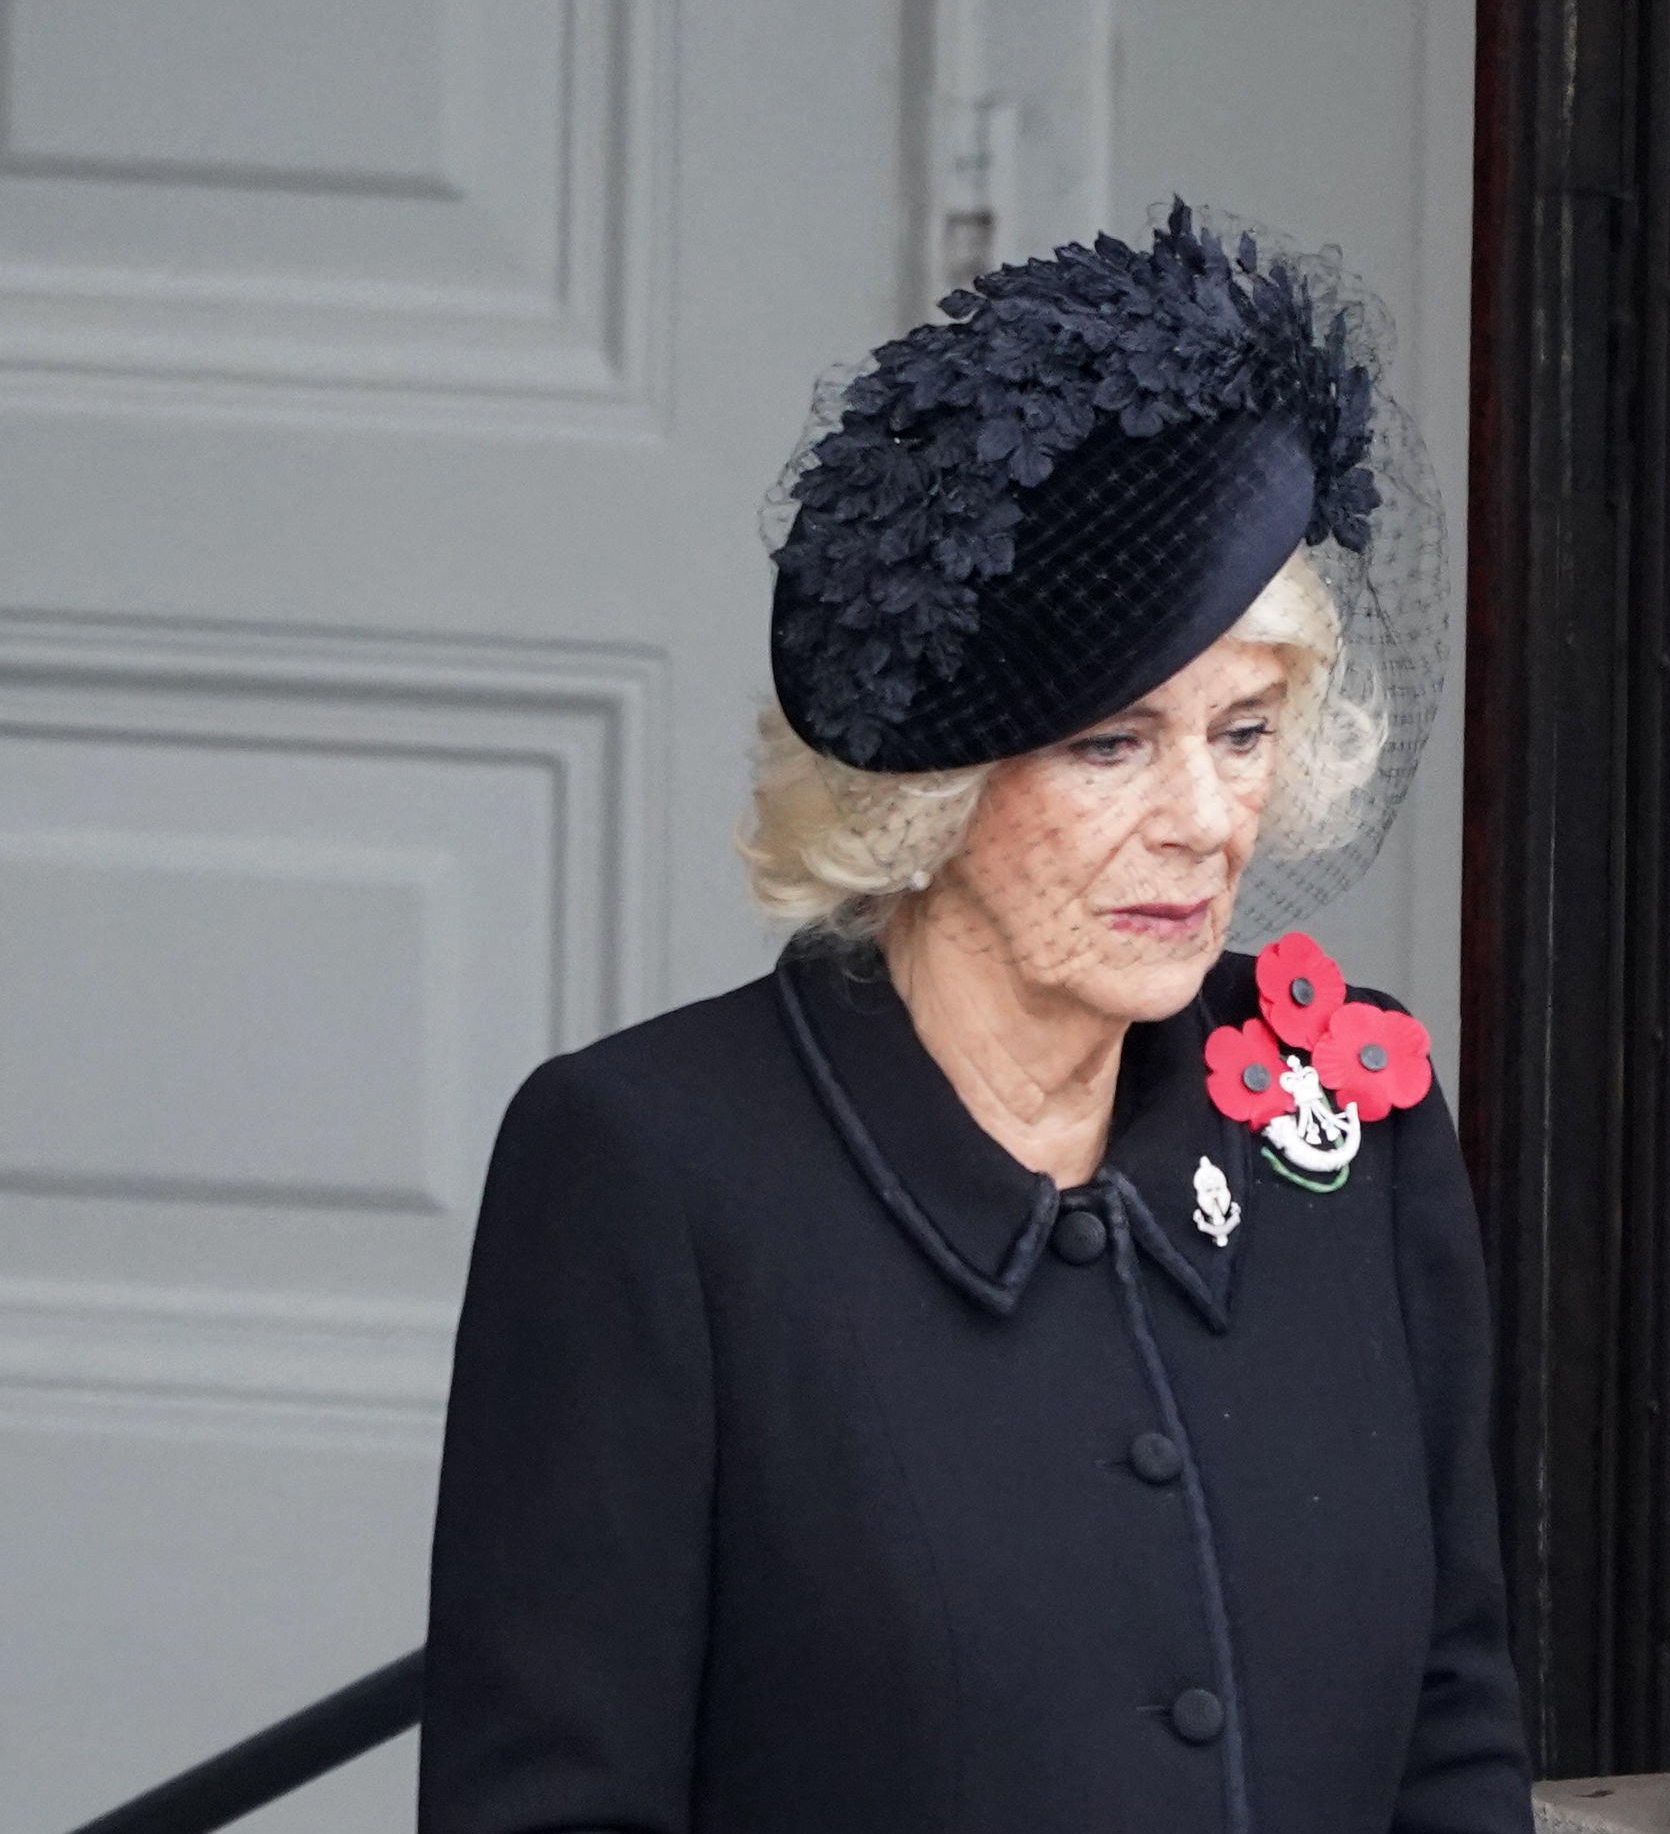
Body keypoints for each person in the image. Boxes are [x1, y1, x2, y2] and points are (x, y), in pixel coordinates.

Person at [420, 212, 1528, 1834]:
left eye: (1242, 729)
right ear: (926, 781)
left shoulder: (1345, 1121)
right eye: (1110, 745)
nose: (1206, 817)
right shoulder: (652, 1173)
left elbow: (1454, 1729)